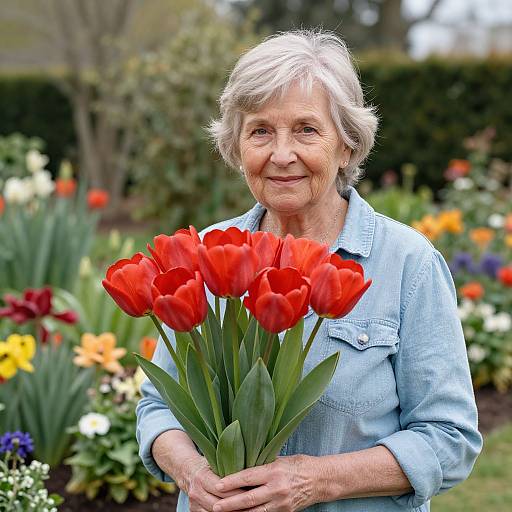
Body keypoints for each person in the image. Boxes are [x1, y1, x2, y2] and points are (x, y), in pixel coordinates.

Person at [136, 30, 482, 511]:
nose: (281, 154)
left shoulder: (407, 264)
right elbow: (157, 408)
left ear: (347, 144)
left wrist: (316, 480)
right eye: (260, 131)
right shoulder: (204, 253)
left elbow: (450, 438)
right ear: (236, 147)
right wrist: (193, 474)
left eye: (306, 130)